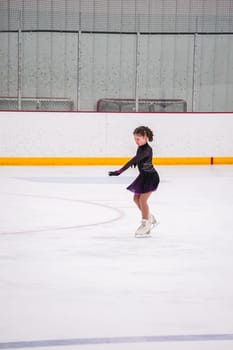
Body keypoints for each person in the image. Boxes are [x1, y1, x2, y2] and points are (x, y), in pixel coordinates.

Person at [108, 126, 160, 236]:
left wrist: (119, 171)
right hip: (143, 176)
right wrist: (139, 162)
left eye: (138, 139)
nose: (136, 141)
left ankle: (146, 223)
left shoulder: (146, 149)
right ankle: (150, 217)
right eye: (135, 139)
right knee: (136, 199)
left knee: (142, 200)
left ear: (145, 137)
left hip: (150, 177)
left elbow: (134, 159)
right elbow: (138, 158)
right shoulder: (141, 148)